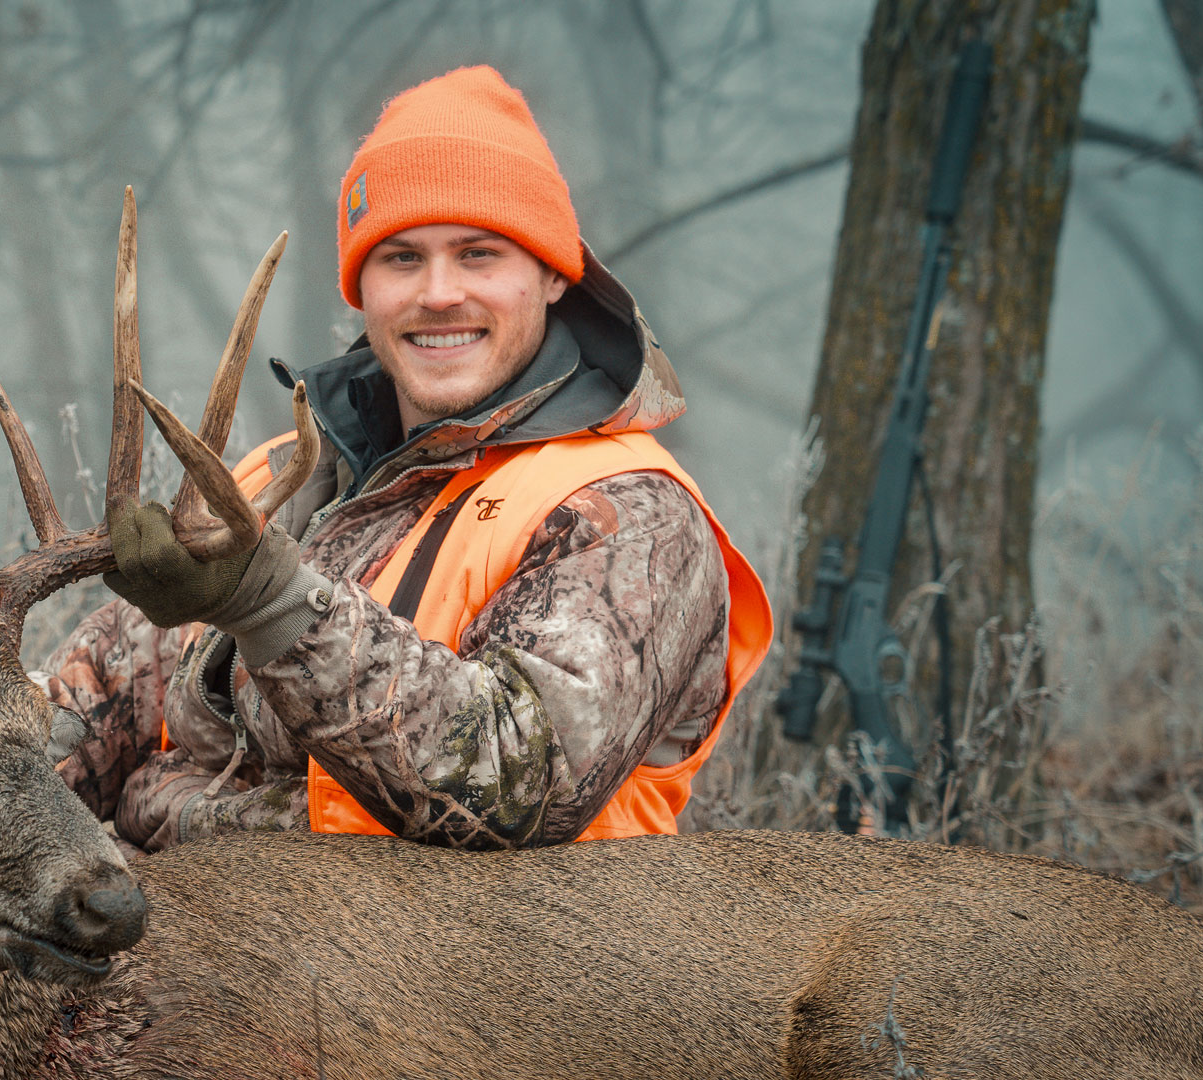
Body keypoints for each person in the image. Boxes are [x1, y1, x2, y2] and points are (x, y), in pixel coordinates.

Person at [37, 65, 772, 853]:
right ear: (361, 288)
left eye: (480, 254)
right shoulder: (279, 480)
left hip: (509, 965)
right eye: (401, 258)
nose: (440, 293)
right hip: (252, 947)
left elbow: (516, 779)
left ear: (555, 273)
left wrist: (267, 616)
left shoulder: (625, 512)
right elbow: (93, 708)